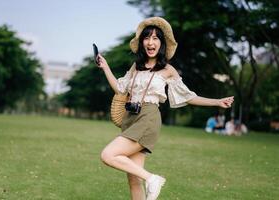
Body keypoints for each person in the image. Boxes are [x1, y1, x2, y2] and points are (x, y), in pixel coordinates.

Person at [96, 17, 234, 200]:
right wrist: (106, 67)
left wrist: (216, 102)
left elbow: (188, 96)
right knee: (133, 180)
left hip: (148, 118)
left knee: (108, 155)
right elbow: (121, 89)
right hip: (130, 118)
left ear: (161, 43)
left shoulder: (168, 70)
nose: (150, 42)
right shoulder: (135, 67)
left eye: (155, 38)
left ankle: (152, 179)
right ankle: (149, 180)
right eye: (147, 38)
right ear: (142, 42)